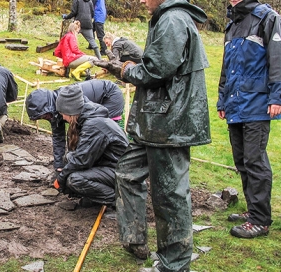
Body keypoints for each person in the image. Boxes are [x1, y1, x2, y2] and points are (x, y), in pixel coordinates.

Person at [93, 0, 211, 270]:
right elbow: (157, 64)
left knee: (170, 194)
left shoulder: (173, 20)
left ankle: (175, 264)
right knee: (126, 172)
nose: (143, 1)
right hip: (154, 122)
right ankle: (135, 239)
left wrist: (123, 70)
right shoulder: (168, 18)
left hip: (169, 123)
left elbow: (156, 70)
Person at [217, 0, 281, 239]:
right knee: (241, 160)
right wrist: (222, 99)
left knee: (255, 160)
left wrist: (277, 97)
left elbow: (277, 59)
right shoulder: (232, 24)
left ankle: (260, 220)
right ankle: (252, 210)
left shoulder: (267, 18)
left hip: (257, 103)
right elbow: (227, 66)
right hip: (235, 103)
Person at [25, 79, 125, 172]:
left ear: (48, 106)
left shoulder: (70, 100)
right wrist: (59, 166)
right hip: (99, 96)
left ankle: (107, 168)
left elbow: (84, 132)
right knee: (81, 136)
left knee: (98, 133)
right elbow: (58, 138)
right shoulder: (52, 111)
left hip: (110, 96)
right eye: (42, 117)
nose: (46, 118)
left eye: (44, 116)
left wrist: (74, 163)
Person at [53, 84, 128, 207]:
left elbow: (82, 160)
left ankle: (119, 201)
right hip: (109, 166)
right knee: (69, 157)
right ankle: (97, 197)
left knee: (75, 180)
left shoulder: (93, 125)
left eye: (62, 113)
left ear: (70, 111)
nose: (63, 117)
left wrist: (61, 179)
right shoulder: (87, 119)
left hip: (122, 171)